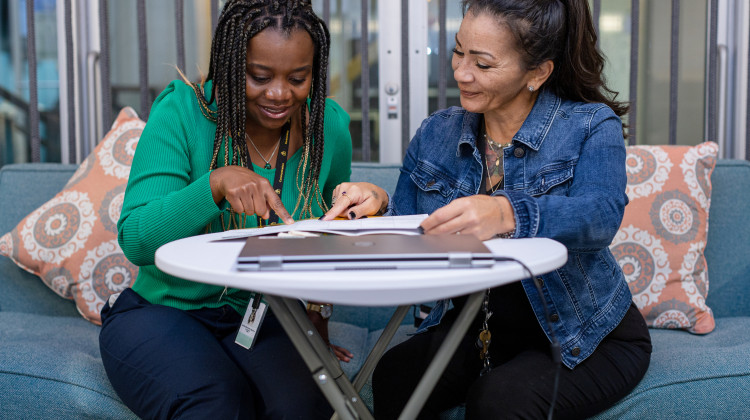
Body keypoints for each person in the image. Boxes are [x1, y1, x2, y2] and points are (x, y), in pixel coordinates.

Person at [322, 0, 652, 418]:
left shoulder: (589, 125)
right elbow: (409, 232)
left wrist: (506, 212)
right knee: (396, 375)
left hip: (582, 335)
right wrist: (375, 205)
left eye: (483, 63)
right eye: (459, 52)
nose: (461, 72)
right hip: (478, 333)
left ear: (537, 72)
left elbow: (600, 215)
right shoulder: (437, 132)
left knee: (499, 400)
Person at [99, 1, 353, 418]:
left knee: (304, 405)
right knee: (216, 401)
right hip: (163, 311)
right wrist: (214, 186)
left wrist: (316, 324)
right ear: (231, 64)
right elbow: (137, 238)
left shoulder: (329, 128)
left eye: (298, 78)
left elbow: (325, 234)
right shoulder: (183, 111)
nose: (279, 94)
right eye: (259, 76)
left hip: (268, 317)